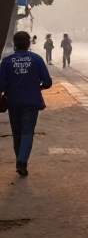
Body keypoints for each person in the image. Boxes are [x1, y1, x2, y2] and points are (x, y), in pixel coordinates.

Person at [0, 30, 52, 176]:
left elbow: (0, 86)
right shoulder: (36, 59)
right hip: (32, 101)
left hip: (13, 102)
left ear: (15, 44)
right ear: (29, 43)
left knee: (17, 133)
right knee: (27, 132)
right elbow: (47, 82)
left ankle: (19, 160)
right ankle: (22, 162)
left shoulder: (7, 62)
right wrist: (39, 87)